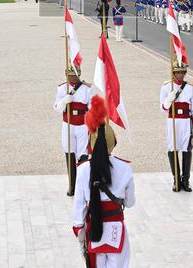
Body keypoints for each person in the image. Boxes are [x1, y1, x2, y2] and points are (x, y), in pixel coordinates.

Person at [72, 96, 135, 267]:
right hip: (116, 228)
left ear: (91, 143)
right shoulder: (125, 168)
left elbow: (79, 206)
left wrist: (80, 231)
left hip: (95, 230)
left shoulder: (83, 170)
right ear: (113, 143)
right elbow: (130, 203)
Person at [160, 61, 193, 192]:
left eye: (182, 72)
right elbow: (163, 108)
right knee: (173, 148)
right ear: (173, 72)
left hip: (186, 122)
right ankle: (176, 179)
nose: (180, 75)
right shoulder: (166, 87)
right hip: (173, 121)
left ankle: (185, 180)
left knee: (187, 149)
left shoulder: (191, 88)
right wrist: (169, 100)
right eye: (178, 72)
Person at [54, 64, 94, 196]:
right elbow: (57, 108)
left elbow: (91, 107)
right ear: (66, 75)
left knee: (82, 155)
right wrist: (64, 101)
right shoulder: (62, 88)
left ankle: (82, 186)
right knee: (69, 152)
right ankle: (72, 185)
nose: (73, 78)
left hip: (82, 125)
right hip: (68, 124)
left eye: (75, 75)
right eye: (70, 75)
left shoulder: (87, 89)